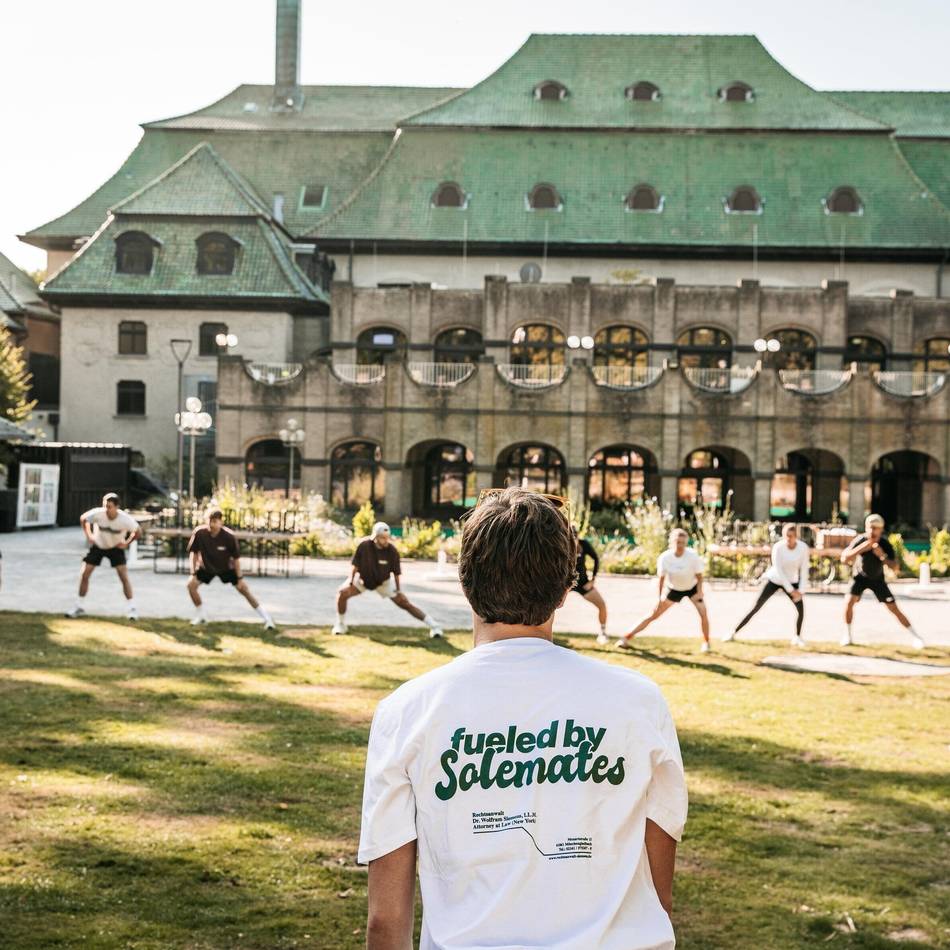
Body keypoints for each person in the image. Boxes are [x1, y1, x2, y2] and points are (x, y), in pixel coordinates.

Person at [359, 488, 687, 950]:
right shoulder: (639, 703)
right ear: (563, 590)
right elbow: (656, 894)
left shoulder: (407, 712)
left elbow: (385, 922)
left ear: (464, 580)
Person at [334, 521, 443, 637]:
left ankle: (435, 626)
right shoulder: (364, 546)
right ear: (375, 537)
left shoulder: (392, 551)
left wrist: (399, 591)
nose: (386, 540)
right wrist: (350, 581)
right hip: (363, 581)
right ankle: (340, 625)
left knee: (404, 603)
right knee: (342, 593)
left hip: (383, 583)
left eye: (387, 537)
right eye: (382, 538)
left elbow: (396, 574)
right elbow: (355, 565)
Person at [618, 528, 712, 653]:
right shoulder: (665, 557)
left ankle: (706, 643)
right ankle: (625, 638)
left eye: (683, 543)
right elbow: (661, 579)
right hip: (673, 589)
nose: (680, 545)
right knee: (653, 614)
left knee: (703, 613)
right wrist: (658, 598)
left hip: (692, 589)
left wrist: (700, 592)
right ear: (672, 542)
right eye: (678, 542)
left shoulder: (692, 556)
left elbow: (699, 577)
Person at [840, 514, 925, 649]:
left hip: (877, 579)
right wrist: (862, 548)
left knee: (894, 608)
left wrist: (882, 556)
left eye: (875, 528)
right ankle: (847, 635)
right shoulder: (860, 540)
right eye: (870, 527)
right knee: (849, 602)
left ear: (881, 529)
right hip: (859, 578)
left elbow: (895, 568)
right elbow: (844, 559)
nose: (872, 531)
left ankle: (916, 637)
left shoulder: (885, 544)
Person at [186, 509, 275, 629]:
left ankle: (267, 619)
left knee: (244, 589)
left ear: (221, 522)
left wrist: (240, 578)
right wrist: (193, 572)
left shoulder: (229, 537)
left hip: (226, 568)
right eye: (210, 521)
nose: (212, 524)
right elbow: (194, 553)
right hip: (206, 567)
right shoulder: (199, 533)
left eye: (215, 521)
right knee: (191, 585)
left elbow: (236, 559)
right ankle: (201, 615)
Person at [724, 523, 809, 647]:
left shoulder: (803, 548)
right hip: (775, 580)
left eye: (791, 536)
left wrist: (800, 590)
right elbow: (779, 570)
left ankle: (797, 637)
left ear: (796, 536)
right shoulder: (778, 547)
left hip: (792, 581)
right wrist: (791, 590)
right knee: (756, 607)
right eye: (786, 536)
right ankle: (733, 632)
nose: (788, 539)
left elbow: (804, 569)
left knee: (800, 610)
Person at [67, 493, 141, 619]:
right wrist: (89, 535)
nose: (107, 509)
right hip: (99, 546)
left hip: (115, 548)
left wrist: (126, 543)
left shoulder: (125, 519)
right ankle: (79, 606)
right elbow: (83, 519)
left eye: (110, 507)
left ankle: (132, 609)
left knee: (123, 577)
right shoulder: (98, 514)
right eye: (105, 506)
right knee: (84, 574)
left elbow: (138, 531)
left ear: (117, 507)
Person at [573, 532, 609, 643]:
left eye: (575, 537)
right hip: (566, 583)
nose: (573, 540)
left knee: (602, 604)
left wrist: (592, 580)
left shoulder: (584, 544)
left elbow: (596, 558)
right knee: (548, 607)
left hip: (583, 582)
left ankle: (602, 633)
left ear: (578, 536)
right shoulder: (562, 544)